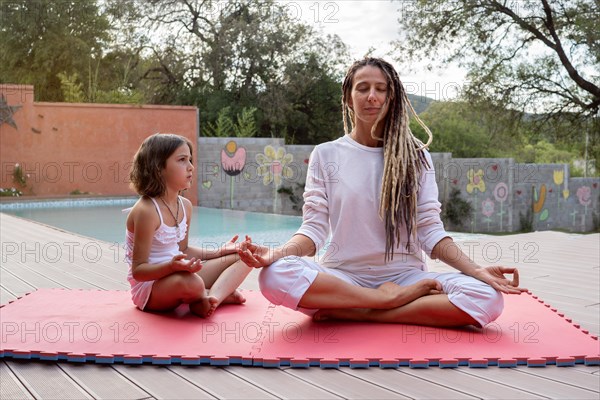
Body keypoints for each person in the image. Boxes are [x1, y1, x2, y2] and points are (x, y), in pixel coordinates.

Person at [239, 57, 526, 327]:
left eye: (381, 89)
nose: (372, 96)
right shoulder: (325, 155)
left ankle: (365, 313)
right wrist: (277, 253)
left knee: (487, 298)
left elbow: (430, 230)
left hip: (407, 278)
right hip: (341, 278)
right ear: (348, 98)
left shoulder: (416, 156)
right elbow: (314, 229)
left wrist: (476, 271)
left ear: (392, 98)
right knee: (274, 275)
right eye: (362, 88)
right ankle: (383, 302)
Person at [125, 133, 252, 317]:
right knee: (192, 283)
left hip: (180, 273)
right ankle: (210, 294)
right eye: (182, 160)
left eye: (190, 160)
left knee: (246, 256)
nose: (191, 167)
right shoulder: (146, 210)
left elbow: (183, 249)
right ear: (158, 167)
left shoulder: (185, 206)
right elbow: (139, 271)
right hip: (152, 288)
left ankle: (211, 298)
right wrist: (171, 267)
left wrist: (219, 252)